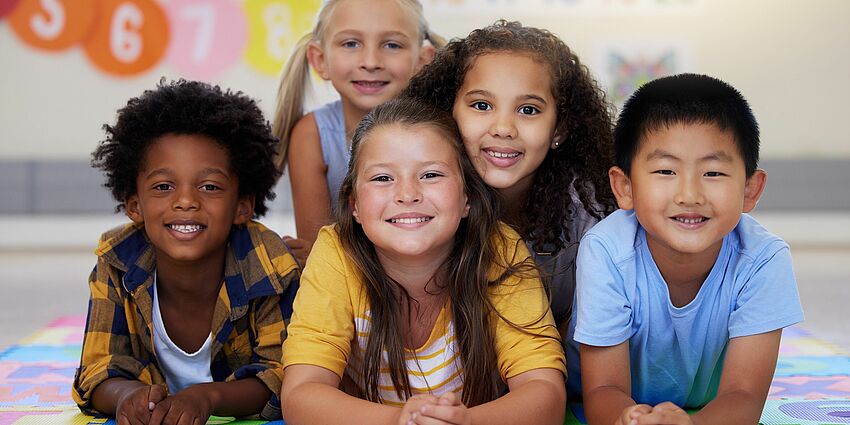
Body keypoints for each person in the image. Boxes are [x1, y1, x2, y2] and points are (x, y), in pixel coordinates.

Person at [280, 98, 567, 425]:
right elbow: (301, 395)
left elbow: (545, 392)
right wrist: (400, 420)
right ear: (355, 205)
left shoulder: (500, 249)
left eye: (430, 174)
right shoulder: (336, 252)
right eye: (382, 178)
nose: (407, 194)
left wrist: (467, 422)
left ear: (466, 199)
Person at [401, 20, 616, 397]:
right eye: (481, 105)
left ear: (560, 129)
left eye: (529, 110)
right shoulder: (416, 205)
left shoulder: (592, 216)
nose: (503, 127)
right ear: (448, 112)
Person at [575, 73, 804, 425]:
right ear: (624, 188)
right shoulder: (606, 251)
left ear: (750, 190)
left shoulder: (763, 259)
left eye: (713, 173)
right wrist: (627, 419)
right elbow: (601, 390)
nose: (690, 195)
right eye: (666, 170)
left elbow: (743, 395)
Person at [73, 79, 301, 425]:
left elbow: (283, 376)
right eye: (163, 187)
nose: (185, 201)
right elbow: (96, 369)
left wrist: (207, 397)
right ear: (134, 205)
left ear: (242, 206)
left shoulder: (269, 266)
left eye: (209, 187)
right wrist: (125, 396)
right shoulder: (117, 262)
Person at [271, 0, 443, 265]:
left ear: (423, 60)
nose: (371, 62)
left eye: (392, 45)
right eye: (351, 43)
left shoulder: (444, 132)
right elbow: (320, 261)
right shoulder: (311, 136)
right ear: (320, 60)